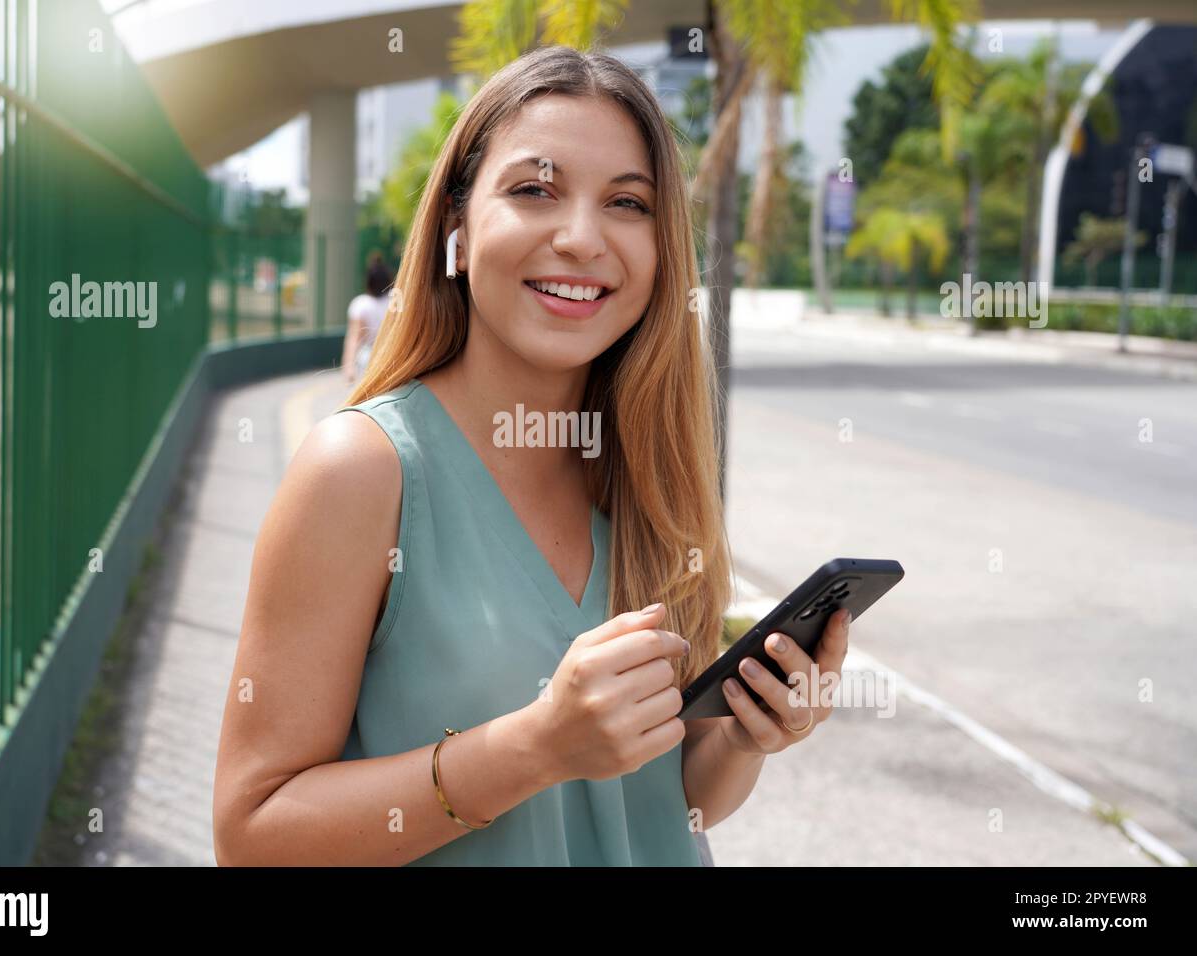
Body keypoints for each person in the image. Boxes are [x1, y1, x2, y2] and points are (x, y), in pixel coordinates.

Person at [213, 46, 852, 867]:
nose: (582, 238)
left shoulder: (652, 480)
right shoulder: (361, 470)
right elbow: (250, 834)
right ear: (458, 227)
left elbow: (666, 802)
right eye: (533, 190)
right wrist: (535, 746)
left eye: (627, 203)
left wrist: (748, 735)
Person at [343, 253, 394, 383]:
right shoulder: (395, 300)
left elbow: (354, 337)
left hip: (369, 358)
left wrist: (349, 367)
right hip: (392, 354)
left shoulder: (361, 304)